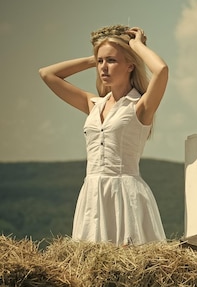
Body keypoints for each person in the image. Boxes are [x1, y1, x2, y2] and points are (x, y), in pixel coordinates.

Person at [39, 25, 168, 246]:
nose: (103, 68)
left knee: (130, 267)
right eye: (100, 62)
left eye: (112, 61)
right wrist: (96, 56)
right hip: (92, 194)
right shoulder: (93, 104)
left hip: (125, 196)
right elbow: (47, 74)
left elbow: (161, 70)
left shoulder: (140, 105)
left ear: (130, 65)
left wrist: (136, 46)